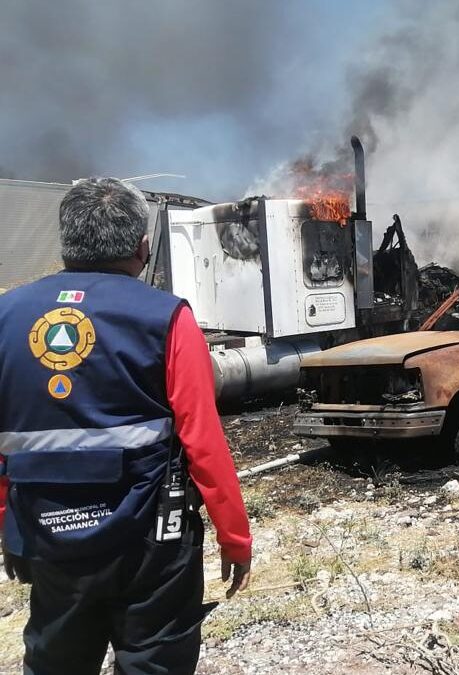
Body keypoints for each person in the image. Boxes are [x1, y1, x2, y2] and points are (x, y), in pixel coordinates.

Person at [0, 177, 253, 675]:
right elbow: (202, 441)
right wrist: (234, 538)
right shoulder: (167, 318)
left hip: (49, 535)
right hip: (151, 542)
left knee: (56, 662)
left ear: (67, 240)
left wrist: (10, 527)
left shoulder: (7, 317)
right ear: (142, 246)